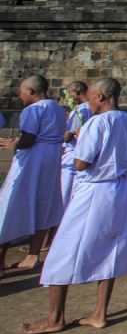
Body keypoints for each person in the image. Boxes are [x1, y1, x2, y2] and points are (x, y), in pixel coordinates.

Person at [21, 78, 127, 334]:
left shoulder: (96, 123)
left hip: (94, 190)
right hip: (119, 190)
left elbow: (82, 163)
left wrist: (77, 141)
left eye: (90, 97)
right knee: (111, 247)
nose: (87, 101)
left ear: (99, 97)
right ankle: (99, 312)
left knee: (62, 250)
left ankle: (55, 316)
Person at [0, 75, 67, 276]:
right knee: (43, 203)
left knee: (9, 204)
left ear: (30, 91)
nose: (19, 95)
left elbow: (29, 138)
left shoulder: (33, 109)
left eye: (21, 91)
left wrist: (14, 144)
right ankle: (33, 254)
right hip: (52, 157)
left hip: (33, 160)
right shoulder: (57, 108)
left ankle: (0, 260)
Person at [58, 81, 91, 221]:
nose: (68, 99)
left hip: (73, 155)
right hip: (87, 154)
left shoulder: (80, 110)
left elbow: (67, 136)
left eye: (69, 95)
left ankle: (60, 223)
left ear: (76, 93)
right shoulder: (95, 109)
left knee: (65, 193)